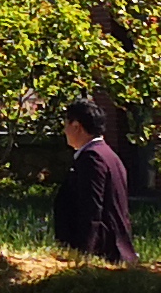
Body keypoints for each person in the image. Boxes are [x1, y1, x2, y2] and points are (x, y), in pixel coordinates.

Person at [53, 100, 138, 265]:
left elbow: (91, 208)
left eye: (66, 125)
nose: (64, 131)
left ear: (76, 126)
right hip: (114, 251)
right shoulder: (109, 155)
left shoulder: (92, 158)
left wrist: (84, 255)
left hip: (103, 255)